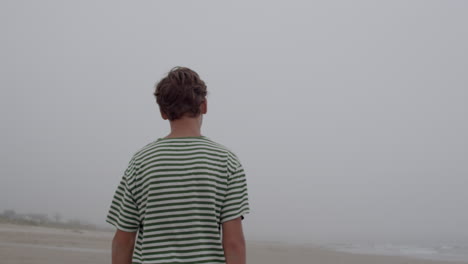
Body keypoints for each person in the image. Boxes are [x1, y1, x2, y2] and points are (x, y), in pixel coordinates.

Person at [106, 67, 250, 264]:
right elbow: (234, 243)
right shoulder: (227, 162)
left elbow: (123, 241)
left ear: (163, 112)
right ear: (204, 105)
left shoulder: (141, 161)